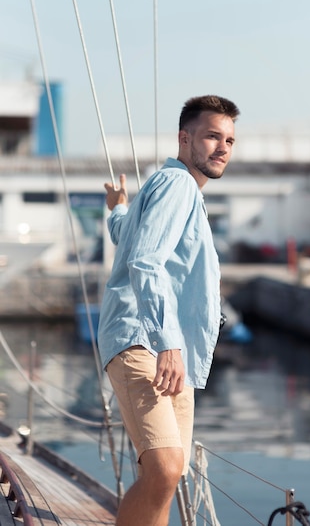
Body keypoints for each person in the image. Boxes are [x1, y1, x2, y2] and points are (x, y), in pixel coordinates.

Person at [98, 95, 239, 526]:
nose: (223, 148)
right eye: (212, 136)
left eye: (230, 140)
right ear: (185, 138)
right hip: (148, 341)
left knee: (168, 472)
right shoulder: (178, 185)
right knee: (162, 469)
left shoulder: (165, 187)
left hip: (165, 346)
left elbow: (129, 235)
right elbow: (144, 261)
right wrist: (169, 343)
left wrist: (119, 206)